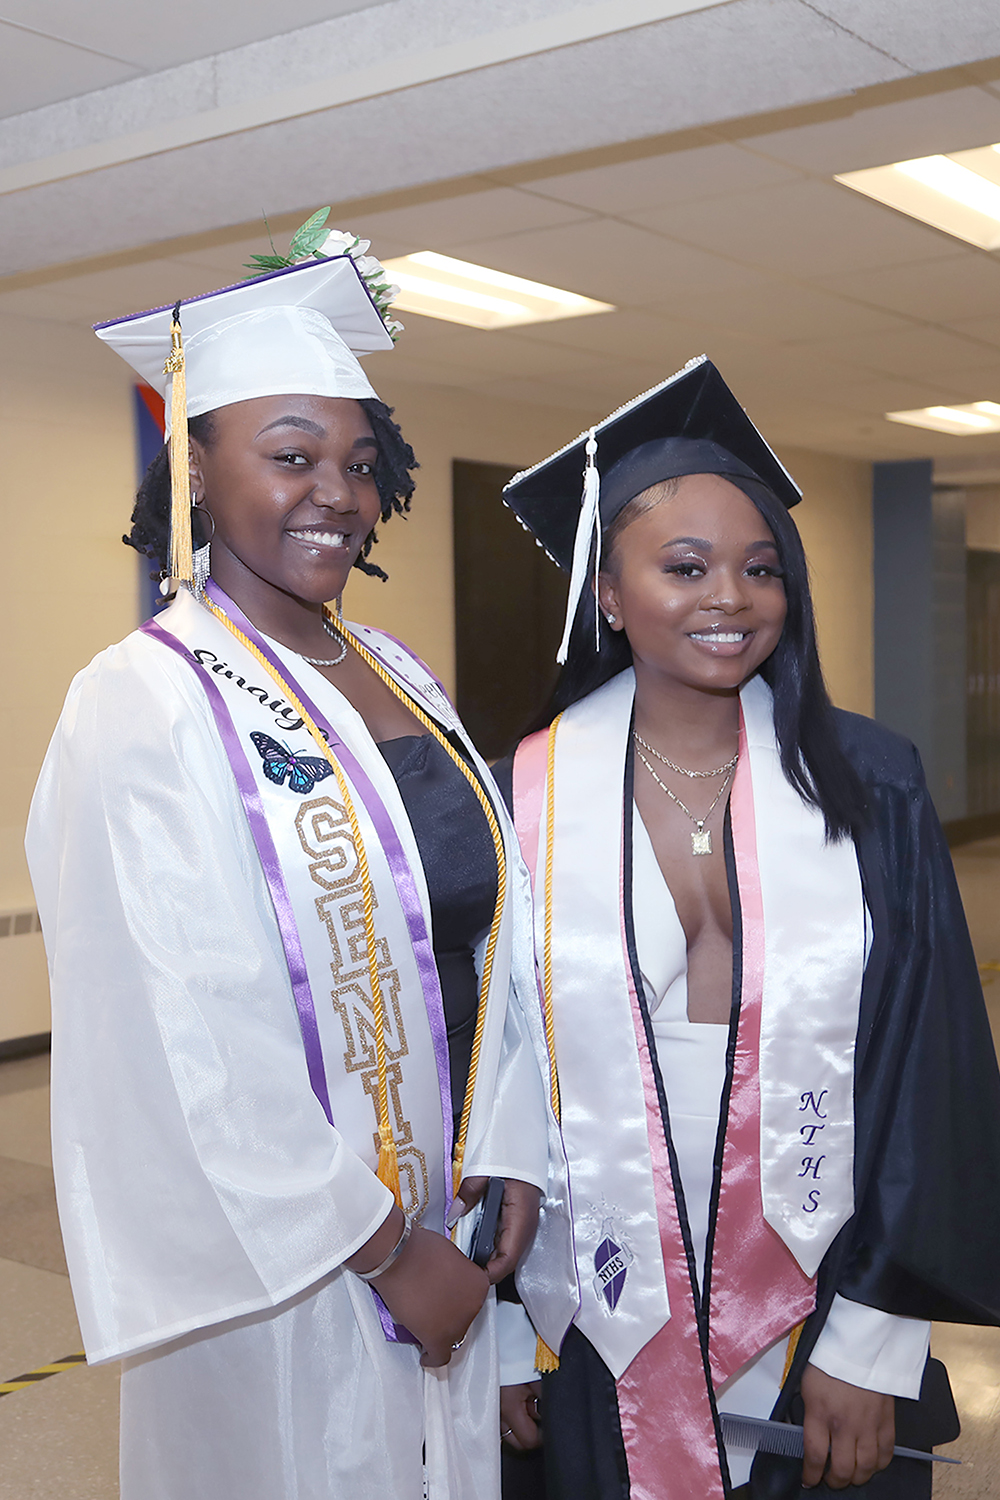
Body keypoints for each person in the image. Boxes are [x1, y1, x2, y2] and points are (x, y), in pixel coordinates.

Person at [25, 227, 572, 1500]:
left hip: (451, 1223)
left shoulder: (397, 672)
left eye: (359, 462)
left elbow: (487, 933)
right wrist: (386, 1251)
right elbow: (182, 1032)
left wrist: (505, 1158)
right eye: (290, 455)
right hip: (282, 1273)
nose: (335, 489)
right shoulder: (143, 702)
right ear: (196, 468)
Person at [493, 359, 1000, 1498]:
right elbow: (495, 1083)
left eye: (760, 567)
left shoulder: (870, 780)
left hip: (821, 1286)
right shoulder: (521, 796)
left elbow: (930, 1069)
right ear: (606, 593)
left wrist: (869, 1338)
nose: (731, 596)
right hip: (595, 1302)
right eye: (685, 566)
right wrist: (497, 1336)